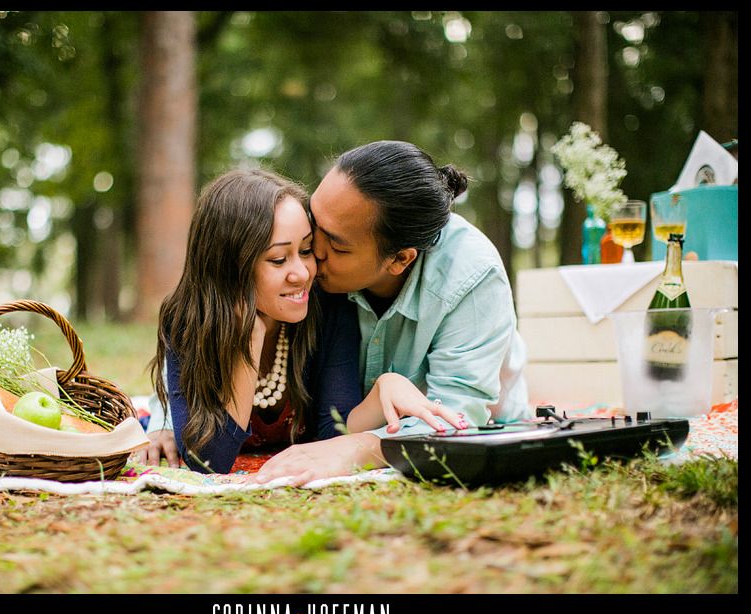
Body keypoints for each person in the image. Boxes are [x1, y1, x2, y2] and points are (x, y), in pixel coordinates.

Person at [138, 167, 463, 475]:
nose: (303, 273)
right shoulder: (186, 321)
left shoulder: (328, 306)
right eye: (279, 259)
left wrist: (383, 390)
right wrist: (248, 340)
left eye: (306, 250)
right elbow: (208, 460)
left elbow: (333, 431)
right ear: (230, 267)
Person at [249, 140, 530, 485]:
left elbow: (459, 417)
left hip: (489, 428)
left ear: (400, 259)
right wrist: (166, 422)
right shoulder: (316, 266)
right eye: (314, 222)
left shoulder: (471, 276)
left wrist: (356, 450)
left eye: (336, 245)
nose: (313, 252)